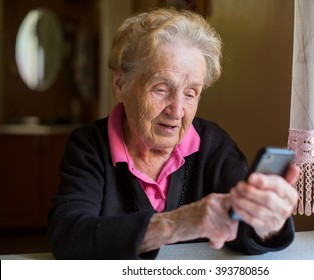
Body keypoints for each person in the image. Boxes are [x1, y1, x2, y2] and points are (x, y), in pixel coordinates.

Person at [47, 7, 299, 260]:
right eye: (161, 89)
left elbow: (243, 229)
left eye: (191, 93)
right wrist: (175, 224)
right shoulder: (90, 146)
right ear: (120, 85)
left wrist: (266, 221)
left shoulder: (213, 144)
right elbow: (69, 236)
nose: (177, 110)